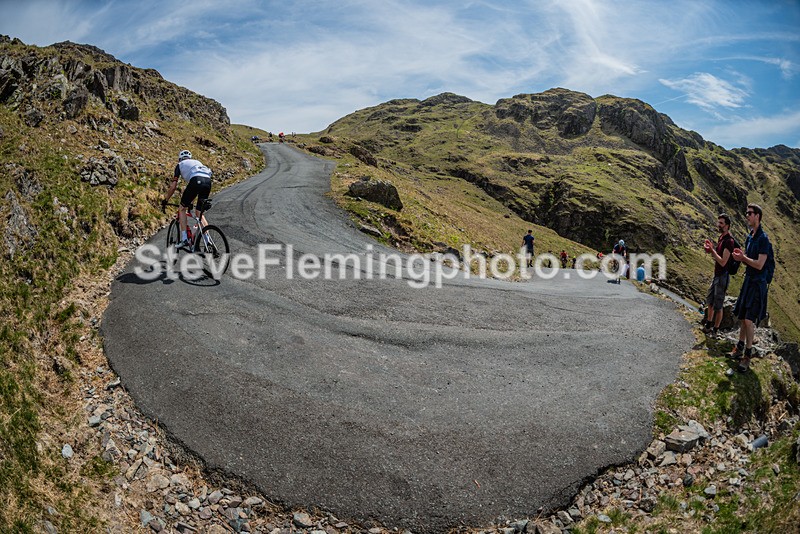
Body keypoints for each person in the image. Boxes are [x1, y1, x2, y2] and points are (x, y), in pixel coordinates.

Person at [731, 204, 772, 372]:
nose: (747, 216)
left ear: (758, 216)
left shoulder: (763, 239)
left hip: (758, 283)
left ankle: (747, 355)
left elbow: (760, 264)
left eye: (750, 213)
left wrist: (743, 258)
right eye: (746, 212)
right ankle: (739, 347)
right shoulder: (750, 237)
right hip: (748, 280)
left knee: (749, 320)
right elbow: (748, 260)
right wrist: (740, 257)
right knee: (742, 316)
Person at [162, 150, 213, 248]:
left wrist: (166, 200)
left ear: (179, 159)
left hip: (196, 180)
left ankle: (184, 239)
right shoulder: (197, 162)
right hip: (208, 181)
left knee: (181, 209)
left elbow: (173, 187)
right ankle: (208, 241)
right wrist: (191, 202)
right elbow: (198, 184)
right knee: (200, 214)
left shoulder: (180, 164)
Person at [701, 214, 735, 337]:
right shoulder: (721, 238)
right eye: (718, 222)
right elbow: (718, 256)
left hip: (722, 276)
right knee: (710, 301)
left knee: (718, 305)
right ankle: (708, 325)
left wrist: (712, 251)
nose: (719, 225)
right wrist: (710, 248)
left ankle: (715, 330)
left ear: (727, 226)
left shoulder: (729, 242)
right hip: (717, 275)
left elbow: (723, 261)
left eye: (721, 223)